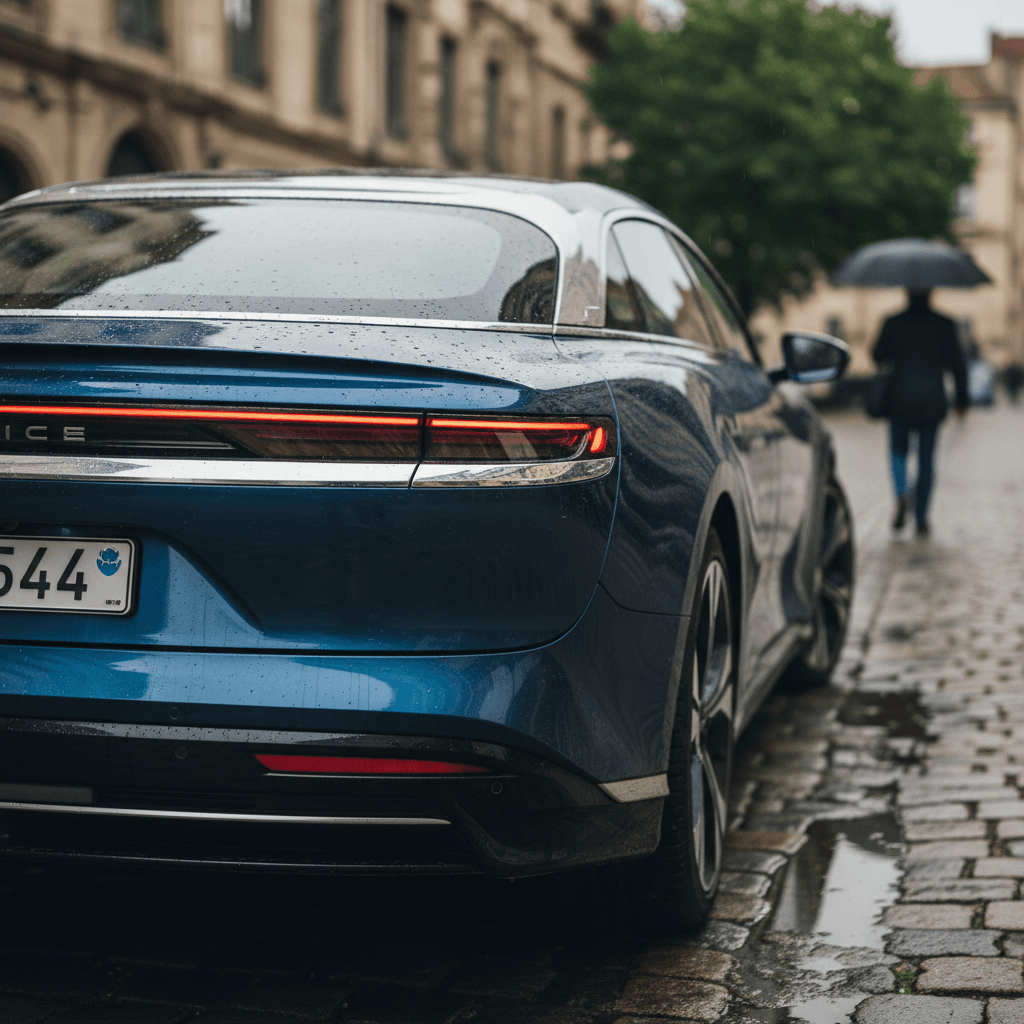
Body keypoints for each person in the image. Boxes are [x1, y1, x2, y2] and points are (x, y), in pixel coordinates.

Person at [872, 288, 968, 537]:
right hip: (932, 401)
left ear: (907, 294)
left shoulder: (892, 322)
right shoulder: (945, 324)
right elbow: (958, 364)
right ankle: (922, 517)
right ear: (931, 294)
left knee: (898, 453)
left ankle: (902, 494)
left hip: (899, 400)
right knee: (926, 461)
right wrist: (961, 400)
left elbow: (877, 355)